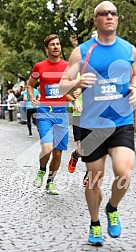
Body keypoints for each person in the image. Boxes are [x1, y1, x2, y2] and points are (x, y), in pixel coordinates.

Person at [59, 0, 136, 246]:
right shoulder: (82, 51)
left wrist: (135, 88)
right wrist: (75, 85)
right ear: (96, 20)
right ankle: (94, 224)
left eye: (113, 13)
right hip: (93, 124)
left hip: (121, 120)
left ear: (117, 18)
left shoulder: (129, 50)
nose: (109, 16)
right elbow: (62, 84)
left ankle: (112, 208)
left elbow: (134, 74)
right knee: (95, 177)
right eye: (103, 13)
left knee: (123, 172)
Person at [27, 34, 69, 195]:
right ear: (47, 49)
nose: (56, 47)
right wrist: (31, 97)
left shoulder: (67, 66)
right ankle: (41, 170)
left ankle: (50, 182)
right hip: (44, 111)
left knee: (58, 152)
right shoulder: (39, 67)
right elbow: (30, 85)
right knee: (47, 147)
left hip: (61, 112)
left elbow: (70, 86)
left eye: (58, 44)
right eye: (52, 44)